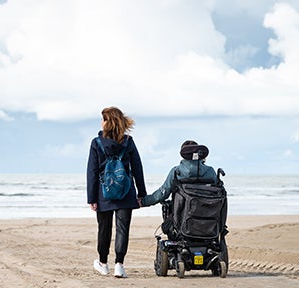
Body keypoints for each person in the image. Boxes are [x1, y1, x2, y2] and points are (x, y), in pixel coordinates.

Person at [87, 106, 147, 278]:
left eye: (103, 119)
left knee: (104, 228)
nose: (101, 122)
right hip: (126, 191)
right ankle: (119, 265)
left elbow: (91, 172)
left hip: (103, 192)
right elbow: (137, 168)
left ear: (108, 122)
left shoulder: (96, 143)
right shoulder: (129, 141)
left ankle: (103, 263)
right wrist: (141, 193)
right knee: (123, 229)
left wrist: (92, 197)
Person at [141, 140, 217, 207]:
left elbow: (163, 193)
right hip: (209, 214)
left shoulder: (176, 171)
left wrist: (144, 201)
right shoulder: (210, 171)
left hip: (182, 214)